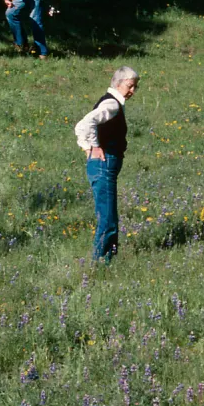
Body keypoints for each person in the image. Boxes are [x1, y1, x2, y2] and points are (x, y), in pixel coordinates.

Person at [74, 66, 139, 261]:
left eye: (135, 87)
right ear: (118, 83)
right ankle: (99, 261)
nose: (132, 91)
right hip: (104, 164)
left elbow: (81, 126)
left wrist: (88, 148)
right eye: (130, 86)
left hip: (103, 165)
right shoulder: (111, 104)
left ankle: (109, 259)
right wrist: (93, 146)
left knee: (109, 214)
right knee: (107, 217)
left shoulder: (112, 103)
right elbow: (85, 123)